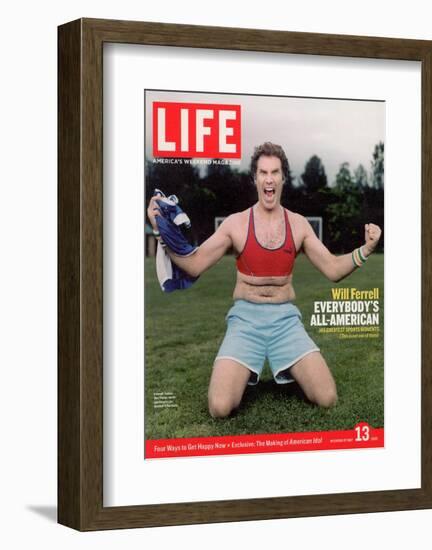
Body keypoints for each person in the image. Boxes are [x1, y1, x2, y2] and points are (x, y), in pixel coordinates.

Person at [147, 142, 382, 418]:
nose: (269, 179)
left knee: (327, 397)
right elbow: (195, 264)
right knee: (220, 408)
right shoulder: (235, 223)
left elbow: (332, 268)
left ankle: (289, 369)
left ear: (283, 178)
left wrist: (365, 250)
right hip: (245, 320)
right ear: (255, 178)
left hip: (285, 321)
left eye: (275, 172)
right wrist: (160, 229)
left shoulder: (298, 225)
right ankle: (245, 369)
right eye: (263, 173)